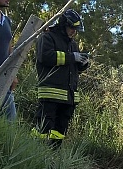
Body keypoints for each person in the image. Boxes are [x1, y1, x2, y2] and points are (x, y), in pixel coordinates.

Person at [32, 9, 89, 148]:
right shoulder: (48, 37)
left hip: (69, 96)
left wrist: (83, 64)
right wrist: (71, 57)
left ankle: (53, 153)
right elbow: (45, 57)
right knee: (43, 125)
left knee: (60, 129)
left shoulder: (72, 44)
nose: (74, 32)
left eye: (76, 30)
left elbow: (73, 68)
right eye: (72, 28)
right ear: (63, 25)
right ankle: (34, 151)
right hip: (51, 93)